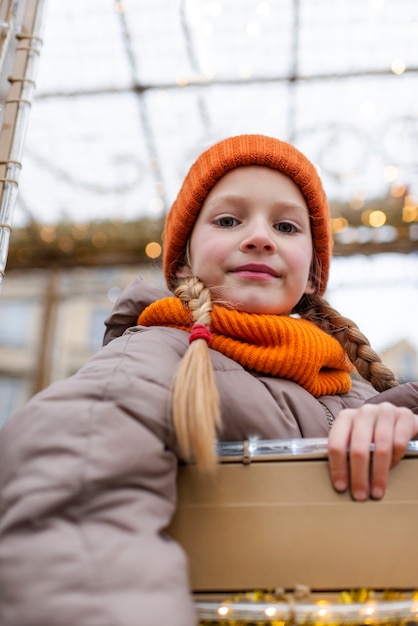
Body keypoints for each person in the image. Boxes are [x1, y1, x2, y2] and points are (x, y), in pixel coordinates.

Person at [0, 134, 417, 626]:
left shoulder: (353, 387)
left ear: (311, 275)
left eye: (285, 225)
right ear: (182, 263)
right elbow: (70, 507)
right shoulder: (154, 355)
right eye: (227, 220)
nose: (259, 237)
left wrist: (401, 426)